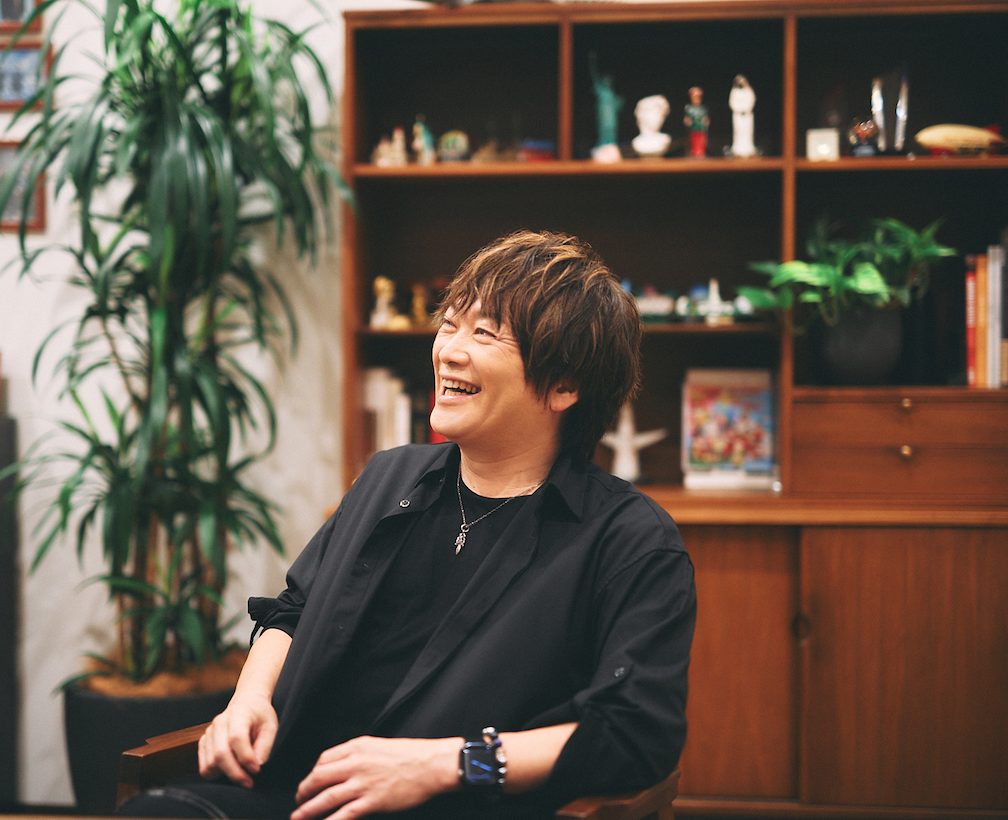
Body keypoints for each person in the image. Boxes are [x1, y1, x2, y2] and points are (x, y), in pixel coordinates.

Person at [119, 231, 696, 820]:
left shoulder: (627, 540)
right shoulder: (389, 477)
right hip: (295, 791)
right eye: (449, 324)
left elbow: (632, 734)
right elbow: (294, 610)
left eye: (485, 333)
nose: (449, 351)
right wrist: (248, 701)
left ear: (564, 385)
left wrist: (444, 765)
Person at [683, 86, 708, 158]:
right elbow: (687, 118)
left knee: (702, 141)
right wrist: (687, 121)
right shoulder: (689, 108)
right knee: (693, 140)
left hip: (701, 128)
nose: (696, 100)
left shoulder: (703, 109)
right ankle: (693, 152)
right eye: (694, 98)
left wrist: (706, 121)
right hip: (693, 128)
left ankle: (701, 152)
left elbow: (705, 117)